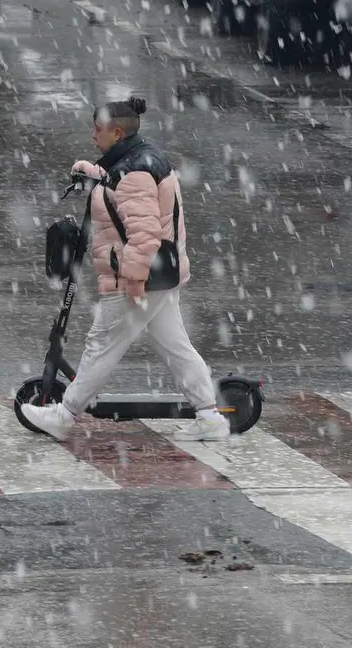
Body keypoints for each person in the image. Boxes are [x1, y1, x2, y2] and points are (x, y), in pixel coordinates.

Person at [20, 96, 231, 442]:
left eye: (98, 129)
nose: (93, 136)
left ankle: (65, 414)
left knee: (102, 344)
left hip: (139, 278)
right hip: (161, 274)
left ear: (117, 132)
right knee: (175, 347)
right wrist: (94, 173)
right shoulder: (140, 158)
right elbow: (123, 193)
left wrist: (133, 280)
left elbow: (144, 233)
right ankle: (209, 416)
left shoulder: (134, 172)